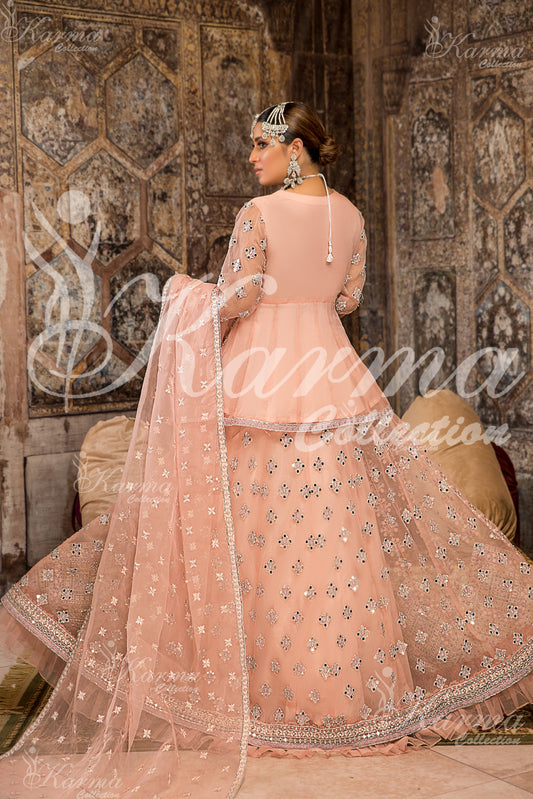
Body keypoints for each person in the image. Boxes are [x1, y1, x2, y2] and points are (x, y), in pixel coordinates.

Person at [0, 101, 531, 799]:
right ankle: (343, 698)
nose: (252, 157)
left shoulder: (258, 213)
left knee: (252, 537)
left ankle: (254, 693)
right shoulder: (350, 216)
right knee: (335, 542)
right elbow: (348, 300)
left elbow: (238, 297)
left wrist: (184, 295)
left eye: (262, 144)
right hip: (332, 377)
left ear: (297, 149)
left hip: (258, 381)